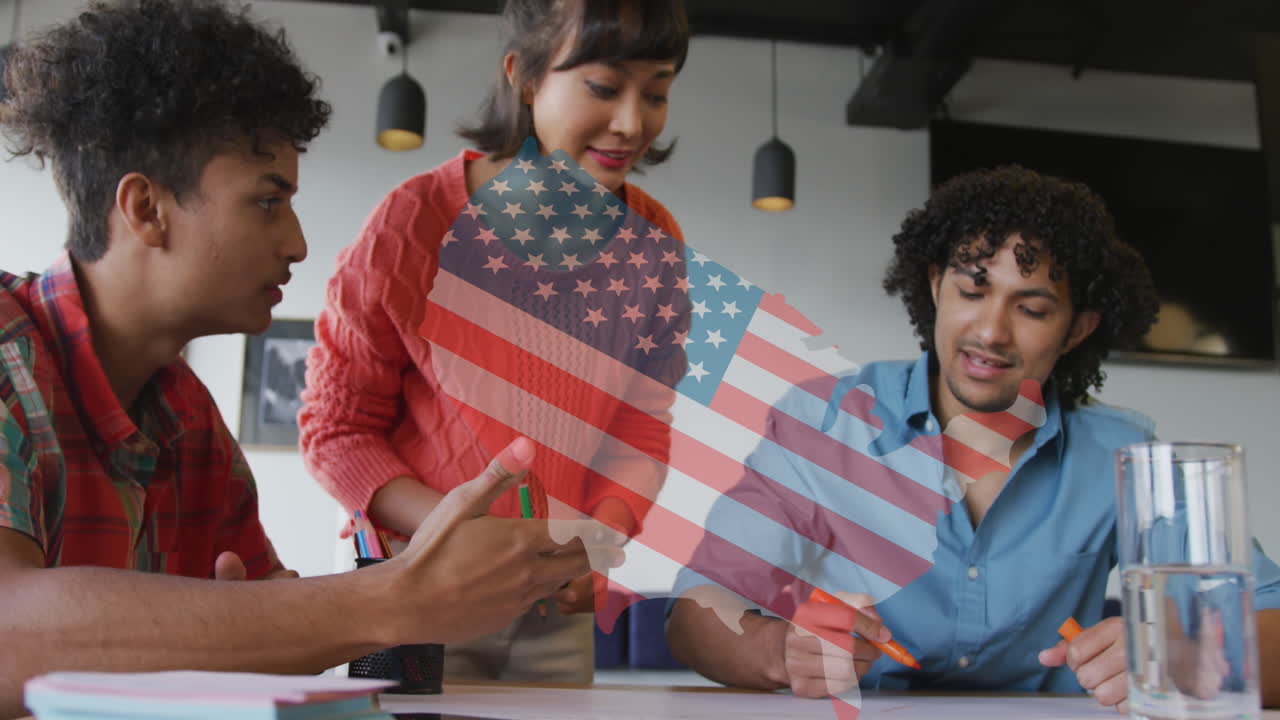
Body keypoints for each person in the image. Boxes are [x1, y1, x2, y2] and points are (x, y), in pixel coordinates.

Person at [0, 2, 615, 718]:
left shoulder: (189, 423)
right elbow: (9, 635)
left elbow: (277, 613)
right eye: (267, 203)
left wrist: (249, 628)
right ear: (145, 208)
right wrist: (396, 595)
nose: (296, 243)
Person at [665, 165, 1280, 710]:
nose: (991, 331)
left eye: (1032, 309)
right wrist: (782, 649)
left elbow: (1269, 613)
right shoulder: (825, 422)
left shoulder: (1121, 454)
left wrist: (1185, 652)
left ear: (1076, 330)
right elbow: (695, 609)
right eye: (972, 289)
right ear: (935, 285)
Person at [299, 0, 689, 684]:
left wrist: (599, 537)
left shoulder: (656, 248)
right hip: (413, 591)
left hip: (551, 603)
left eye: (656, 92)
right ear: (524, 76)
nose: (633, 123)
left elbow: (640, 432)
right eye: (603, 87)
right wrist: (462, 530)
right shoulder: (408, 227)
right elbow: (336, 433)